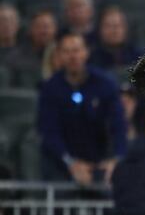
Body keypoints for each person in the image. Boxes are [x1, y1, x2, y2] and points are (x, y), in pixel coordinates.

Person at [37, 33, 127, 184]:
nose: (73, 56)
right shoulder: (50, 88)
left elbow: (118, 124)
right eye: (67, 51)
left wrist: (116, 159)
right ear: (59, 55)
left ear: (86, 52)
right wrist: (70, 162)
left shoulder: (105, 84)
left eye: (77, 50)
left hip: (100, 158)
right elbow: (49, 130)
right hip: (61, 161)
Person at [6, 9, 58, 86]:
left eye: (47, 26)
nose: (43, 31)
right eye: (38, 27)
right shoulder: (16, 57)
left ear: (55, 29)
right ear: (30, 30)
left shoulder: (65, 54)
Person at [88, 6, 141, 72]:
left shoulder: (139, 56)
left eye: (117, 26)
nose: (114, 31)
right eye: (108, 26)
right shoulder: (90, 58)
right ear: (100, 29)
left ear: (126, 29)